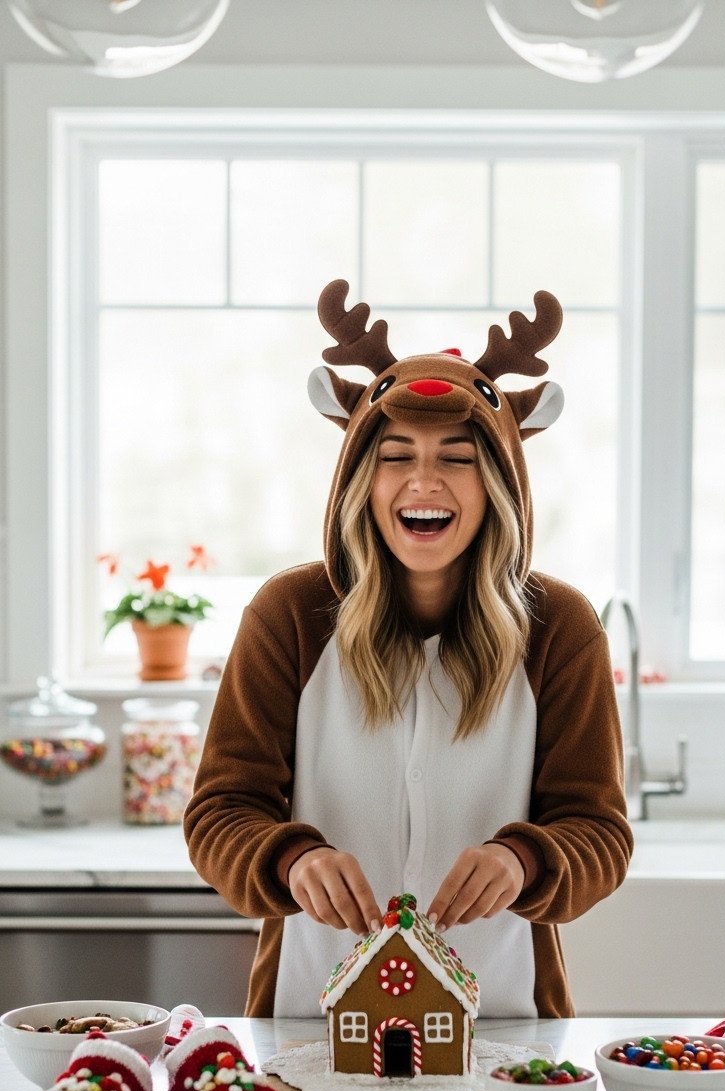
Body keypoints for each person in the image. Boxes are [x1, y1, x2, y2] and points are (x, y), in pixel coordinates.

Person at [184, 279, 632, 1018]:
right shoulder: (290, 616)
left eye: (458, 458)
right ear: (362, 480)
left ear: (499, 485)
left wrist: (525, 860)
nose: (424, 480)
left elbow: (601, 835)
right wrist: (292, 860)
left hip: (502, 1022)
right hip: (311, 1018)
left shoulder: (561, 629)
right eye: (396, 455)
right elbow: (220, 814)